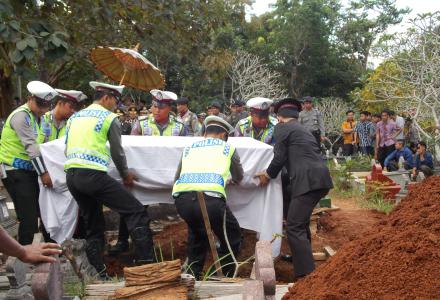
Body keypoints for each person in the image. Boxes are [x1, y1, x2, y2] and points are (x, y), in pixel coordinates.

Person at [64, 81, 154, 278]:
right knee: (136, 211)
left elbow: (66, 147)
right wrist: (125, 174)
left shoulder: (74, 117)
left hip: (72, 176)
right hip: (93, 176)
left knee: (94, 225)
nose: (117, 105)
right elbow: (117, 151)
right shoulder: (108, 118)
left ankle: (99, 272)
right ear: (106, 98)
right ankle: (148, 266)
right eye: (115, 100)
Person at [254, 98, 333, 280]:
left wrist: (267, 174)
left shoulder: (282, 128)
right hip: (320, 178)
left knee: (294, 226)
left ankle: (307, 275)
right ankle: (302, 263)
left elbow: (279, 157)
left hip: (308, 181)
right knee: (301, 223)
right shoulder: (303, 129)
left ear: (279, 118)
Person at [172, 116, 243, 279]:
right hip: (211, 200)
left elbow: (177, 176)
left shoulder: (190, 147)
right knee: (232, 237)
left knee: (197, 234)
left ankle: (192, 275)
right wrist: (232, 180)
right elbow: (239, 176)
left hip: (182, 200)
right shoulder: (227, 148)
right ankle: (223, 274)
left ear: (205, 133)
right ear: (224, 135)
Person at [0, 81, 57, 245]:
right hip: (14, 171)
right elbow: (31, 148)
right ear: (30, 99)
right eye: (40, 104)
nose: (43, 109)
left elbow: (42, 144)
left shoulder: (37, 118)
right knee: (28, 216)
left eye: (46, 105)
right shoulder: (21, 116)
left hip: (28, 172)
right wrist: (44, 173)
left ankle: (42, 246)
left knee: (38, 211)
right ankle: (26, 253)